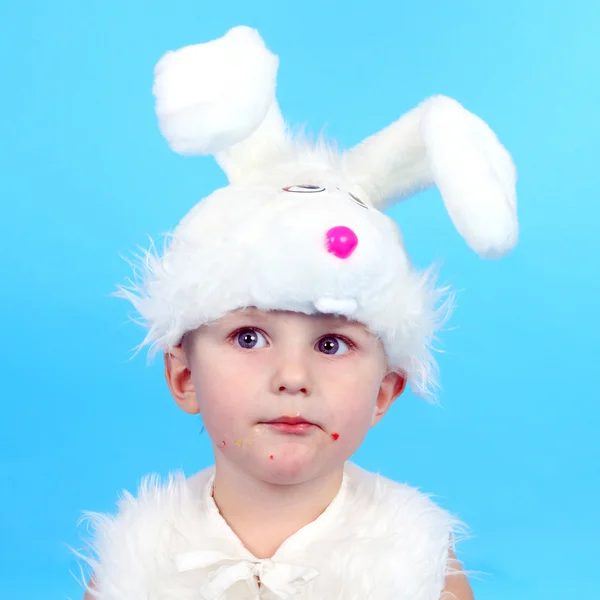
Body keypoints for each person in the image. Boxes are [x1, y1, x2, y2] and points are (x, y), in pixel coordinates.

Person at [78, 26, 518, 600]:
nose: (292, 377)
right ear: (184, 376)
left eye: (332, 344)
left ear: (384, 393)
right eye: (249, 337)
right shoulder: (142, 552)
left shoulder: (410, 555)